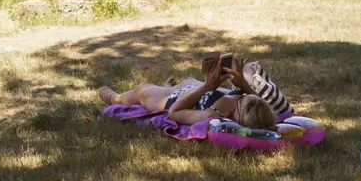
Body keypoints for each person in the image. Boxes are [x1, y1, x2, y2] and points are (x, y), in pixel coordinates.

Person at [98, 54, 283, 130]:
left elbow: (174, 113)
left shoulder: (212, 115)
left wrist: (206, 87)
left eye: (244, 97)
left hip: (172, 99)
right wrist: (243, 83)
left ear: (236, 115)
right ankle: (167, 86)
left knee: (141, 90)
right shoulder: (249, 105)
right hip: (190, 88)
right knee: (178, 83)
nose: (243, 94)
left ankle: (113, 98)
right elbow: (256, 101)